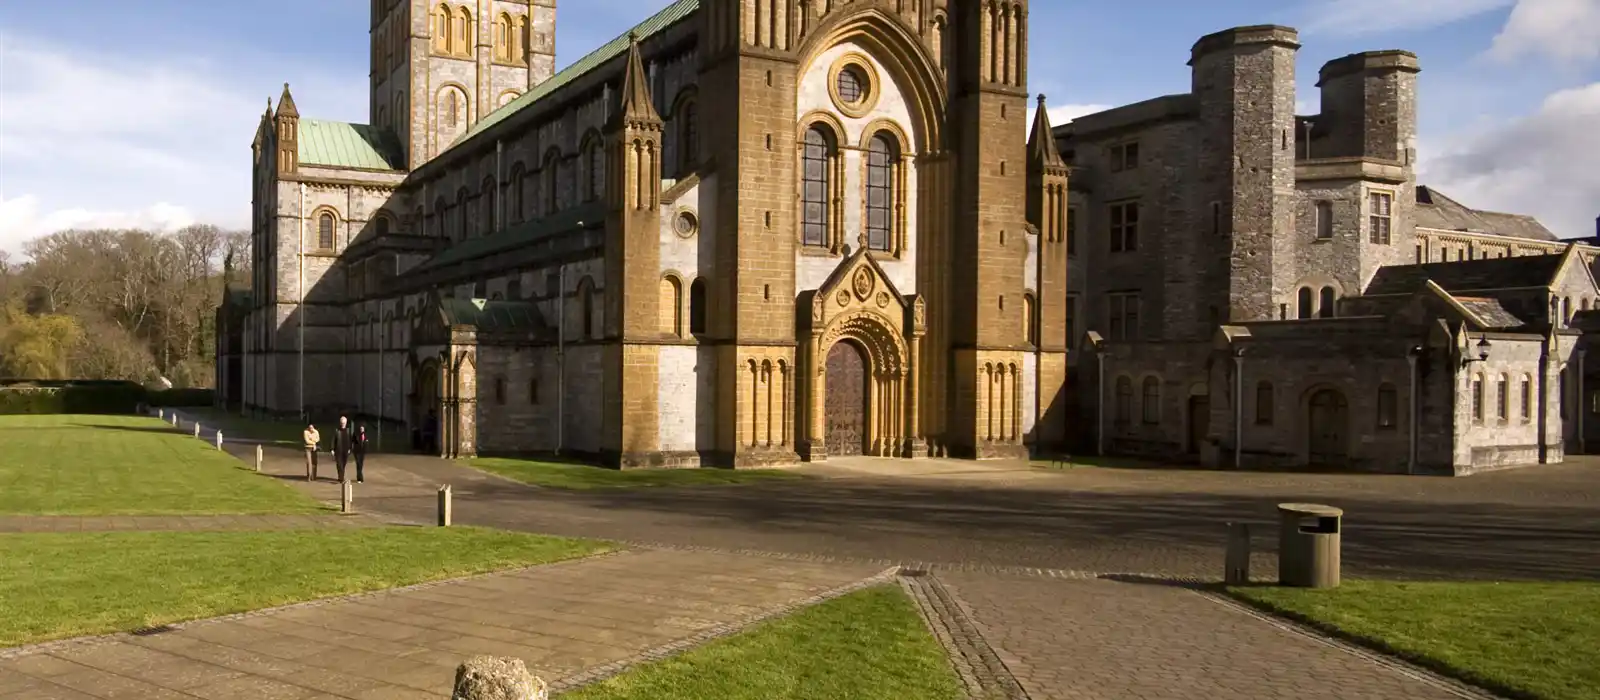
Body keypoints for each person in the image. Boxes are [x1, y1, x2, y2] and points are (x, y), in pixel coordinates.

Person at [332, 415, 353, 483]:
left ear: (346, 423)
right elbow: (333, 440)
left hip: (346, 450)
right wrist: (332, 449)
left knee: (343, 464)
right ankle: (341, 478)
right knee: (339, 464)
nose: (342, 424)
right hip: (338, 450)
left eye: (344, 423)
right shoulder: (336, 430)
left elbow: (350, 440)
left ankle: (341, 476)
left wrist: (350, 448)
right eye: (341, 423)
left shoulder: (348, 431)